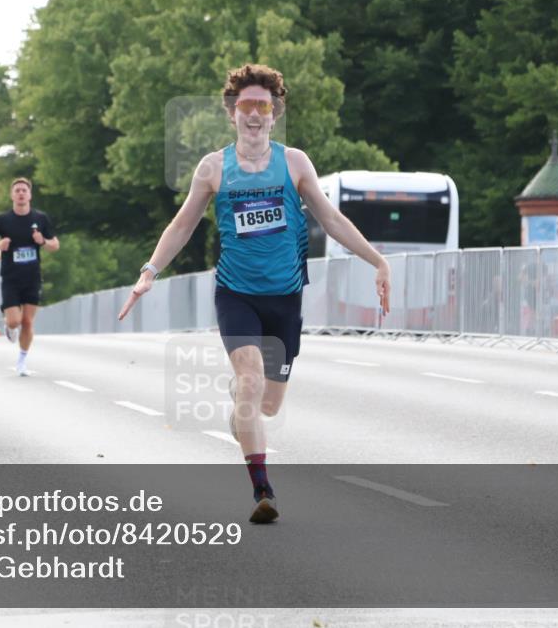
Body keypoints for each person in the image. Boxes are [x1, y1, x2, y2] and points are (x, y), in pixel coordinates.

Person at [118, 64, 391, 524]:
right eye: (245, 105)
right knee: (250, 381)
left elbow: (332, 220)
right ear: (232, 112)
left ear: (274, 112)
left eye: (262, 105)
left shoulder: (295, 163)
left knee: (267, 403)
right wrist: (150, 270)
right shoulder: (212, 168)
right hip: (236, 293)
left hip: (284, 297)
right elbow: (182, 224)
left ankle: (243, 407)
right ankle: (262, 488)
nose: (254, 114)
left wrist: (377, 261)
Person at [0, 178, 60, 375]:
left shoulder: (40, 218)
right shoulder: (2, 220)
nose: (21, 193)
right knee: (15, 321)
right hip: (11, 277)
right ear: (12, 195)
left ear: (29, 195)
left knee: (28, 322)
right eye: (17, 190)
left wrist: (43, 241)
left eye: (24, 190)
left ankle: (22, 360)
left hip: (32, 277)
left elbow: (55, 245)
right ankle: (9, 325)